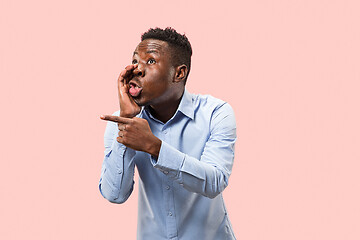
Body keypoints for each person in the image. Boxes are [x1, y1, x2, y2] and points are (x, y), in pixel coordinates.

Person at [99, 27, 237, 240]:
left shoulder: (216, 113)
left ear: (179, 73)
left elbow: (214, 181)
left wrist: (154, 147)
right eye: (135, 61)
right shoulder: (122, 120)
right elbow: (114, 194)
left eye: (150, 61)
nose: (137, 69)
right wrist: (127, 121)